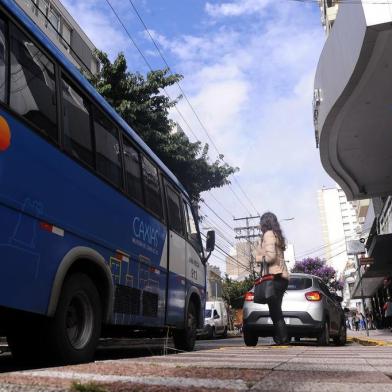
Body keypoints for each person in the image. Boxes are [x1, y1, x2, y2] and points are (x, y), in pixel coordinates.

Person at [255, 212, 290, 345]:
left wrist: (258, 258)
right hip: (282, 277)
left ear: (265, 223)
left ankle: (282, 339)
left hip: (274, 277)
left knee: (275, 311)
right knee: (276, 310)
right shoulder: (277, 235)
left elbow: (270, 257)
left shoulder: (268, 234)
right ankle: (280, 337)